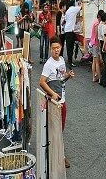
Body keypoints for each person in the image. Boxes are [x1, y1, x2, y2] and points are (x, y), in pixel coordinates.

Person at [39, 36, 74, 169]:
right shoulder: (48, 64)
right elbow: (41, 81)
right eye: (53, 48)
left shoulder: (62, 60)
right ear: (50, 49)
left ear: (61, 48)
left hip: (62, 100)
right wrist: (52, 94)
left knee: (60, 129)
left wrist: (68, 76)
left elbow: (61, 79)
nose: (56, 50)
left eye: (58, 48)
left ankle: (55, 152)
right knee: (56, 129)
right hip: (54, 102)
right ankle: (60, 156)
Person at [62, 0, 81, 67]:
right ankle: (70, 62)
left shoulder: (67, 11)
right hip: (70, 31)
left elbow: (66, 20)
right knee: (71, 47)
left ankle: (69, 60)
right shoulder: (74, 9)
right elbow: (82, 7)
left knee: (68, 47)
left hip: (67, 30)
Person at [89, 10, 104, 83]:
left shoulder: (95, 22)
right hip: (96, 44)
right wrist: (99, 45)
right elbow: (97, 36)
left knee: (94, 62)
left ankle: (94, 77)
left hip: (93, 43)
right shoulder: (97, 24)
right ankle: (99, 78)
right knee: (97, 62)